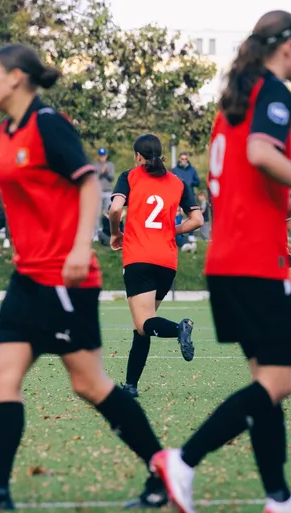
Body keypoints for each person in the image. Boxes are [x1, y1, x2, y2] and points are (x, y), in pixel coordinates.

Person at [149, 11, 291, 513]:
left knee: (267, 387)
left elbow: (243, 173)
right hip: (256, 261)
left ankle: (279, 498)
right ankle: (183, 461)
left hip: (230, 260)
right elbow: (261, 152)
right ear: (285, 48)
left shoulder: (235, 99)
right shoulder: (273, 90)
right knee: (279, 384)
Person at [0, 43, 168, 509]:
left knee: (89, 384)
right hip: (28, 277)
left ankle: (164, 470)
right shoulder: (6, 131)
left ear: (17, 78)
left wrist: (81, 247)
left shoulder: (47, 125)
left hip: (65, 278)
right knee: (2, 378)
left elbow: (88, 182)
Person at [108, 134, 204, 399]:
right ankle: (130, 385)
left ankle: (179, 328)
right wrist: (172, 230)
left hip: (139, 257)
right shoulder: (179, 182)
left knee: (143, 323)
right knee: (145, 323)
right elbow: (197, 219)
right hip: (166, 262)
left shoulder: (130, 176)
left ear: (138, 156)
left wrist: (116, 233)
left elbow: (115, 210)